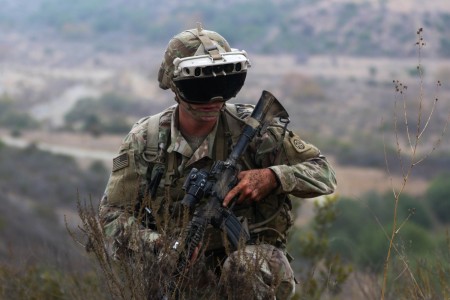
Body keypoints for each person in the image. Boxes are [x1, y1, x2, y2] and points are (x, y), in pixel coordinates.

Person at [99, 24, 336, 299]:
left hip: (252, 265)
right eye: (201, 87)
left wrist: (273, 177)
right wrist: (160, 247)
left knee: (244, 268)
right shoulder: (146, 140)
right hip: (178, 266)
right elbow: (112, 215)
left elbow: (324, 172)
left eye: (223, 86)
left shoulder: (256, 131)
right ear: (175, 87)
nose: (213, 99)